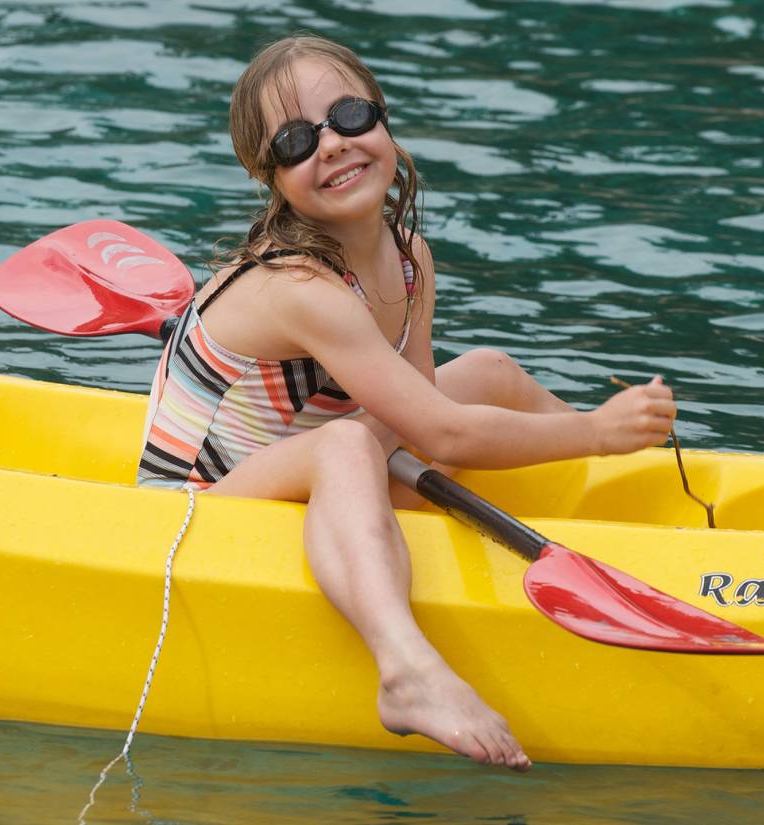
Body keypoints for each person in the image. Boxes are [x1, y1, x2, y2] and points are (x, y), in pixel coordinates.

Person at [136, 34, 676, 771]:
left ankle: (666, 505)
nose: (330, 145)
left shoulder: (407, 254)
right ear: (270, 177)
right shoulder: (297, 288)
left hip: (307, 459)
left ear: (383, 121)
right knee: (349, 445)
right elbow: (442, 434)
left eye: (349, 115)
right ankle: (406, 671)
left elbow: (420, 419)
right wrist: (593, 431)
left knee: (487, 370)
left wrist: (591, 437)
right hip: (192, 508)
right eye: (296, 140)